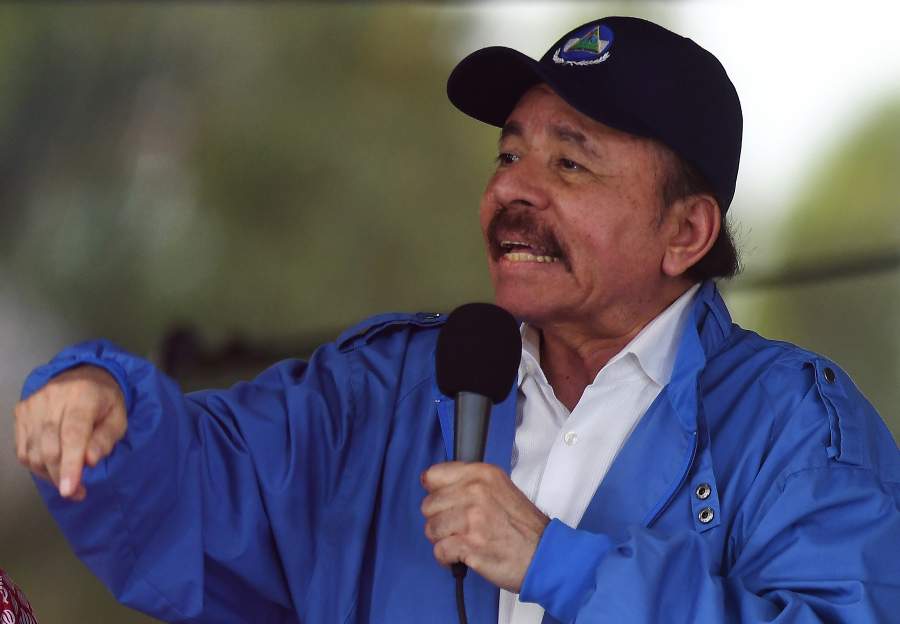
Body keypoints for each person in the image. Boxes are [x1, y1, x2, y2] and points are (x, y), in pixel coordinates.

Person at [12, 15, 900, 624]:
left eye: (570, 164)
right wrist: (106, 404)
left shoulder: (794, 428)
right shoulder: (383, 392)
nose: (513, 187)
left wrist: (557, 564)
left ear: (685, 232)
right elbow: (198, 493)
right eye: (510, 152)